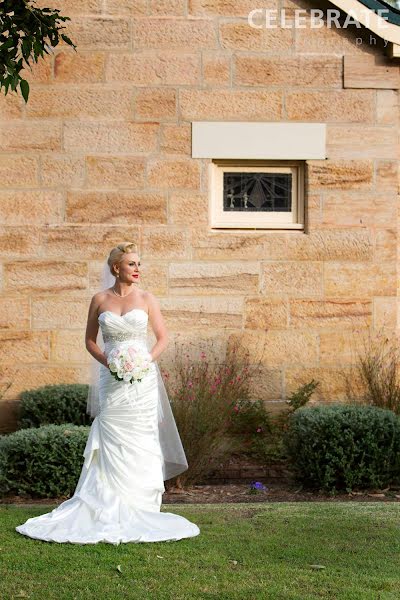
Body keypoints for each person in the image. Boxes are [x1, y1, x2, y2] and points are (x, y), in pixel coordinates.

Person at [15, 242, 200, 544]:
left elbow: (163, 337)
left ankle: (140, 503)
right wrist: (109, 361)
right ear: (116, 268)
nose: (138, 269)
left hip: (142, 378)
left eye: (139, 264)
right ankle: (104, 498)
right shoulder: (99, 299)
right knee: (112, 432)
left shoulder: (147, 298)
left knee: (141, 435)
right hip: (111, 378)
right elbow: (90, 341)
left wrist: (144, 361)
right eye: (132, 264)